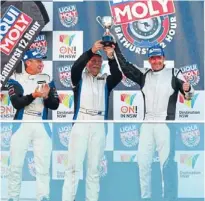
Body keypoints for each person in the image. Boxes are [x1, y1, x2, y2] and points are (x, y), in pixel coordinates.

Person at [108, 43, 194, 201]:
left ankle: (169, 198)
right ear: (149, 60)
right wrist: (116, 48)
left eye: (158, 58)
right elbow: (126, 67)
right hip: (147, 124)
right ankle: (145, 197)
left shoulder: (175, 73)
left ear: (164, 58)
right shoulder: (144, 74)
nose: (156, 61)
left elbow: (188, 96)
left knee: (166, 165)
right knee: (142, 162)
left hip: (165, 124)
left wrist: (188, 90)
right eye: (152, 58)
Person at [62, 40, 122, 201]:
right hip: (81, 122)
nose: (96, 63)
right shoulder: (79, 79)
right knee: (73, 168)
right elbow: (75, 67)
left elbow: (118, 76)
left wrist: (110, 57)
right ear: (87, 63)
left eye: (98, 61)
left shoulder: (106, 80)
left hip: (99, 124)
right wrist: (91, 50)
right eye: (93, 60)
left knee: (94, 169)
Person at [7, 49, 59, 201]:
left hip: (41, 124)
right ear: (28, 62)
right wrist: (34, 95)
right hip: (22, 124)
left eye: (42, 61)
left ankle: (43, 196)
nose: (41, 64)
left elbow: (54, 105)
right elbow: (17, 103)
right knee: (15, 165)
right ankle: (12, 197)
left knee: (43, 165)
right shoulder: (16, 79)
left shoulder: (47, 79)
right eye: (38, 61)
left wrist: (48, 96)